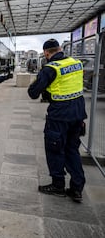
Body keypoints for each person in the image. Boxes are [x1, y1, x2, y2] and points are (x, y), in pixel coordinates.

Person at [28, 39, 87, 203]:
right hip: (78, 114)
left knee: (55, 149)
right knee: (72, 150)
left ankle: (58, 185)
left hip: (60, 116)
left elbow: (32, 93)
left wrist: (44, 85)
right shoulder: (77, 63)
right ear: (60, 49)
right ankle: (77, 188)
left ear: (46, 53)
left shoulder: (51, 68)